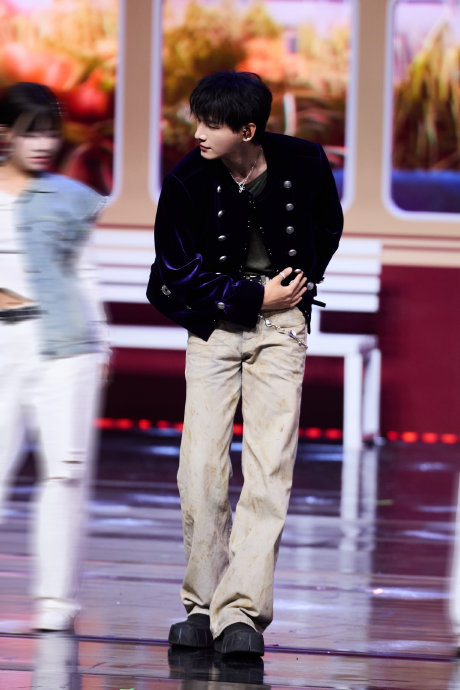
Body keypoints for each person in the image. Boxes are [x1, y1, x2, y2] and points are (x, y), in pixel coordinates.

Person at [147, 71, 343, 656]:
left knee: (267, 469)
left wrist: (297, 284)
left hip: (282, 329)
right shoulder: (186, 180)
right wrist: (255, 296)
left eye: (212, 125)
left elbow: (327, 225)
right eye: (198, 121)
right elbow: (176, 271)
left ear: (248, 130)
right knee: (200, 469)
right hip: (215, 327)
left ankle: (242, 613)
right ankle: (201, 603)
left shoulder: (304, 161)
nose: (199, 134)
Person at [0, 82, 108, 632]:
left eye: (51, 133)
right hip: (5, 347)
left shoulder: (70, 197)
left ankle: (55, 602)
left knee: (65, 476)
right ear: (4, 134)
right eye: (31, 132)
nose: (44, 144)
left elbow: (84, 274)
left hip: (65, 348)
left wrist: (102, 344)